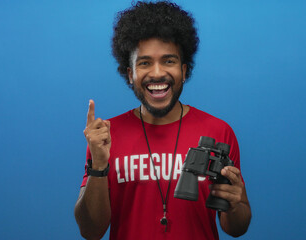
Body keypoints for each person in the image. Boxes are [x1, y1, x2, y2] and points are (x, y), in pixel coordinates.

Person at [74, 1, 251, 239]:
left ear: (185, 71)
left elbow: (236, 228)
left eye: (169, 61)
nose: (157, 73)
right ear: (130, 74)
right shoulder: (105, 137)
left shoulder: (218, 130)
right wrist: (98, 165)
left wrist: (234, 204)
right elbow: (91, 231)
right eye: (144, 63)